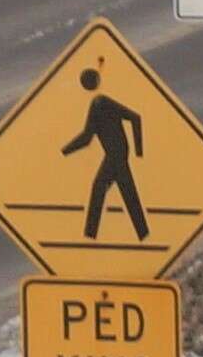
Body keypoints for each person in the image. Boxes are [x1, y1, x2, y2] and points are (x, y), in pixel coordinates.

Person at [61, 63, 147, 241]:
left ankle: (90, 236)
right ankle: (142, 234)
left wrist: (139, 151)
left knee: (102, 188)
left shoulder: (101, 103)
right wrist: (65, 151)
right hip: (117, 154)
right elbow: (87, 137)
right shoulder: (99, 103)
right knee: (125, 193)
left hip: (117, 155)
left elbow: (135, 118)